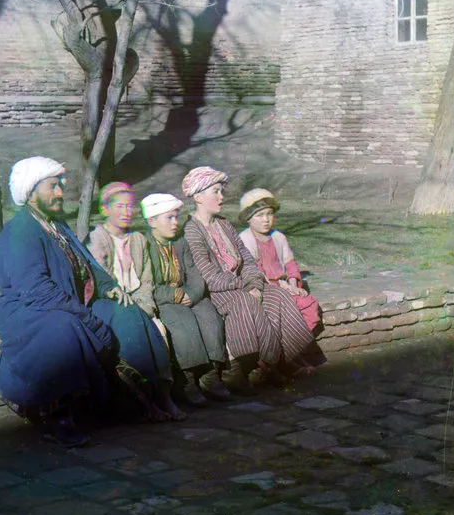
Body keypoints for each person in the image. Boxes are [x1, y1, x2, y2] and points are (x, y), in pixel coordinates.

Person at [0, 159, 181, 449]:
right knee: (65, 329)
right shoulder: (19, 232)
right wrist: (85, 317)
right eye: (53, 186)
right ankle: (57, 417)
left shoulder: (58, 226)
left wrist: (108, 287)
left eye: (61, 185)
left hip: (68, 303)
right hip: (29, 312)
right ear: (31, 193)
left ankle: (145, 398)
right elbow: (36, 290)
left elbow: (86, 265)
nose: (60, 192)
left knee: (126, 313)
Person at [181, 166, 317, 392]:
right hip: (218, 291)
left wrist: (254, 283)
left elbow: (246, 259)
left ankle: (272, 364)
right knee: (244, 302)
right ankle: (240, 368)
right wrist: (245, 287)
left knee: (277, 296)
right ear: (198, 197)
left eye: (221, 191)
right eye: (215, 191)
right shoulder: (192, 230)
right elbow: (208, 275)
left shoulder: (224, 223)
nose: (221, 197)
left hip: (242, 283)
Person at [87, 181, 186, 421]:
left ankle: (164, 396)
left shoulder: (139, 240)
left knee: (158, 330)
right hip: (110, 305)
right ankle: (143, 400)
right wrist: (116, 295)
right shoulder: (97, 239)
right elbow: (98, 279)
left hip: (138, 304)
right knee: (131, 335)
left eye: (130, 206)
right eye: (119, 206)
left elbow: (146, 280)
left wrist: (144, 305)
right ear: (105, 209)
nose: (126, 212)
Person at [141, 193, 231, 406]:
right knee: (182, 323)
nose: (175, 223)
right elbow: (147, 283)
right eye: (169, 218)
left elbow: (194, 273)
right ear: (152, 221)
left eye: (176, 217)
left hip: (187, 293)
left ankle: (210, 373)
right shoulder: (145, 245)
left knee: (209, 315)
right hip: (165, 299)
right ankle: (187, 378)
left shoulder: (181, 242)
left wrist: (191, 294)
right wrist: (174, 295)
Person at [238, 188, 321, 333]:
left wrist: (293, 285)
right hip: (262, 287)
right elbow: (255, 271)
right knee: (283, 311)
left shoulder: (278, 237)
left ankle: (298, 341)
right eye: (259, 215)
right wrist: (281, 288)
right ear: (248, 218)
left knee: (309, 304)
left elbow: (290, 264)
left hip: (284, 285)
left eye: (269, 214)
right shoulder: (245, 239)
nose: (266, 220)